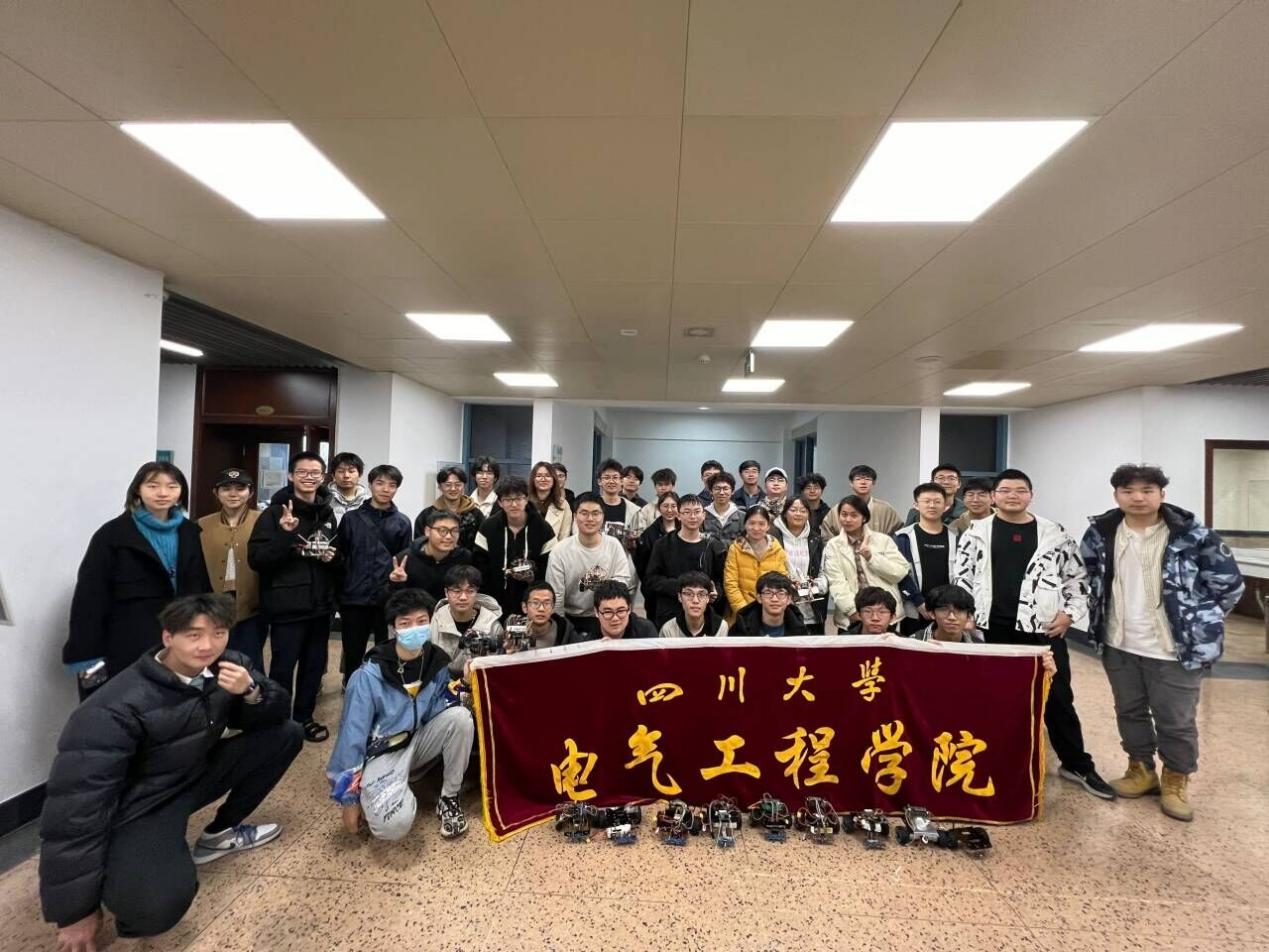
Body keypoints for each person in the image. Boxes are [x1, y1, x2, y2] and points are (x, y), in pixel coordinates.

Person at [40, 594, 300, 947]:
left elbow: (274, 714)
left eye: (218, 633)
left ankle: (219, 834)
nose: (208, 646)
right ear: (168, 637)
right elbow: (74, 807)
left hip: (195, 773)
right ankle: (122, 879)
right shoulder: (113, 707)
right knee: (155, 908)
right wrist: (75, 910)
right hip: (144, 804)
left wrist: (252, 691)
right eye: (194, 635)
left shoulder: (230, 665)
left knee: (287, 735)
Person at [1081, 464, 1244, 821]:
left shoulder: (1194, 536)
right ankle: (1140, 769)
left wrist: (1199, 619)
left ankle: (1175, 780)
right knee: (1129, 711)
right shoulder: (1101, 533)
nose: (1137, 498)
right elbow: (1089, 576)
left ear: (1161, 494)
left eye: (1147, 490)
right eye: (1128, 491)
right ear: (1116, 495)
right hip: (1119, 641)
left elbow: (1229, 586)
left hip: (1175, 648)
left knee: (1176, 720)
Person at [955, 468, 1114, 800]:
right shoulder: (977, 532)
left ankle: (1076, 764)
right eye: (1005, 490)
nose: (1013, 496)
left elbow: (1076, 579)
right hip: (991, 631)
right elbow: (963, 576)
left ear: (1031, 495)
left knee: (1058, 699)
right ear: (994, 497)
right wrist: (966, 614)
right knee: (994, 699)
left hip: (1042, 631)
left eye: (1020, 490)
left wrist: (1069, 614)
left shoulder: (1054, 533)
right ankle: (997, 760)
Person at [327, 588, 472, 841]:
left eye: (421, 621)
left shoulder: (435, 663)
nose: (415, 629)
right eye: (405, 623)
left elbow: (440, 707)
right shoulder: (368, 676)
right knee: (392, 827)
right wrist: (349, 800)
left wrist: (465, 685)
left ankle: (449, 796)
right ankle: (387, 787)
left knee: (460, 718)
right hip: (384, 752)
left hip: (418, 741)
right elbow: (351, 737)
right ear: (393, 628)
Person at [67, 462, 211, 694]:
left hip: (181, 642)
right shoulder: (112, 535)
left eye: (172, 486)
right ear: (138, 490)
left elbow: (202, 588)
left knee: (178, 707)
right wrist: (87, 657)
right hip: (127, 644)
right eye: (153, 486)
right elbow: (90, 599)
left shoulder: (190, 532)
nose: (163, 493)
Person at [247, 451, 338, 743]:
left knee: (314, 667)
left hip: (320, 606)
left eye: (315, 473)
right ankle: (279, 721)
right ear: (290, 476)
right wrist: (286, 534)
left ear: (323, 477)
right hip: (287, 606)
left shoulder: (327, 513)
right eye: (302, 472)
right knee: (283, 668)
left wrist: (332, 558)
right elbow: (258, 559)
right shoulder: (274, 513)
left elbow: (335, 554)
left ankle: (303, 718)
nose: (309, 477)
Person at [334, 464, 413, 689]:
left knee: (387, 650)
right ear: (369, 485)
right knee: (353, 650)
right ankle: (352, 687)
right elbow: (341, 557)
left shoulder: (402, 522)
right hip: (354, 597)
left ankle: (384, 690)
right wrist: (340, 593)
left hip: (386, 598)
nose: (385, 489)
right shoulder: (351, 519)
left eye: (392, 485)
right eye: (380, 483)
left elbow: (404, 562)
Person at [199, 468, 265, 670]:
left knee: (250, 661)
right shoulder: (202, 525)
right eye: (226, 488)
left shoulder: (263, 520)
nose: (233, 494)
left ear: (250, 492)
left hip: (252, 605)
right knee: (213, 659)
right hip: (215, 603)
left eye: (240, 488)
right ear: (216, 492)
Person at [545, 493, 631, 637]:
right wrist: (562, 628)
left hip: (605, 615)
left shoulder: (614, 545)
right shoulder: (560, 551)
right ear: (575, 516)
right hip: (570, 616)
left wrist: (607, 613)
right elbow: (556, 596)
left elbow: (622, 582)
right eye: (584, 513)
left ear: (603, 516)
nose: (590, 519)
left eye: (595, 513)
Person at [473, 476, 557, 619]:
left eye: (518, 498)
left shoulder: (543, 529)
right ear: (500, 502)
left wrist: (532, 577)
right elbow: (479, 567)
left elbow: (550, 568)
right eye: (507, 500)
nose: (514, 504)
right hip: (495, 603)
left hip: (532, 604)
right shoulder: (488, 527)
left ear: (526, 499)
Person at [823, 495, 909, 632]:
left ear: (864, 518)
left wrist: (871, 558)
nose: (848, 519)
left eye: (854, 515)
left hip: (884, 613)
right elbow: (836, 582)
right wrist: (853, 610)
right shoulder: (833, 545)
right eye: (844, 514)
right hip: (851, 616)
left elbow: (900, 572)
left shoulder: (883, 540)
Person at [643, 494, 727, 628]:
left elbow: (720, 580)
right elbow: (652, 580)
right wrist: (684, 589)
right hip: (670, 612)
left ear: (704, 515)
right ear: (678, 515)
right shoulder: (663, 545)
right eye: (687, 512)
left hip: (704, 613)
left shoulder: (713, 545)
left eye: (697, 512)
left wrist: (716, 592)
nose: (693, 517)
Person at [895, 482, 959, 635]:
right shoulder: (903, 537)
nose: (932, 505)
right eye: (926, 501)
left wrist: (952, 605)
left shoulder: (956, 536)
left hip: (950, 610)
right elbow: (900, 573)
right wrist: (919, 602)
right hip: (914, 609)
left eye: (937, 502)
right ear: (916, 505)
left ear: (946, 506)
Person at [429, 565, 505, 675]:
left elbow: (498, 665)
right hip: (441, 681)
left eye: (470, 591)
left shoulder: (492, 625)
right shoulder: (433, 622)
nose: (463, 597)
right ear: (446, 592)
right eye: (456, 591)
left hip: (481, 679)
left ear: (477, 592)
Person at [723, 506, 789, 622]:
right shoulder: (735, 548)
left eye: (761, 524)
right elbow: (730, 583)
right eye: (752, 523)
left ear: (768, 526)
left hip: (771, 613)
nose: (756, 528)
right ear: (745, 524)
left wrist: (771, 608)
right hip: (742, 614)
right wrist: (744, 611)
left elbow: (782, 582)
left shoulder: (776, 549)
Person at [772, 495, 827, 634]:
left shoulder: (816, 539)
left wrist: (814, 587)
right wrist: (788, 586)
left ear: (808, 514)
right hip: (781, 606)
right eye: (793, 510)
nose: (798, 514)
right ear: (785, 513)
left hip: (811, 609)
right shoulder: (773, 538)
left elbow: (823, 572)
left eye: (803, 510)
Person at [390, 509, 474, 601]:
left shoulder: (465, 558)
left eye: (454, 531)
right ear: (427, 531)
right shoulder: (405, 559)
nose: (449, 536)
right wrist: (397, 583)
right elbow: (394, 601)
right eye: (443, 530)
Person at [635, 491, 680, 626]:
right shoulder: (649, 533)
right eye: (665, 506)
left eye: (673, 506)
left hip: (681, 589)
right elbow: (642, 563)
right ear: (659, 508)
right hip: (657, 590)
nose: (669, 510)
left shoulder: (685, 528)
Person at [414, 466, 484, 552]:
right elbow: (419, 546)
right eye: (448, 485)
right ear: (440, 487)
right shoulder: (427, 515)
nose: (453, 489)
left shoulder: (476, 515)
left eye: (458, 485)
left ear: (464, 486)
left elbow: (481, 547)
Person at [821, 465, 902, 539]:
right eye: (858, 479)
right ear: (851, 483)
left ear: (873, 483)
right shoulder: (838, 509)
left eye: (867, 479)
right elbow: (827, 535)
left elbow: (899, 533)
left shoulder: (885, 509)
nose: (863, 482)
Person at [504, 582, 584, 651]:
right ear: (524, 607)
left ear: (553, 608)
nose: (541, 609)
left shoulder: (565, 630)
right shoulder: (515, 630)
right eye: (535, 603)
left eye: (547, 603)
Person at [731, 572, 808, 637]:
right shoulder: (741, 629)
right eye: (768, 593)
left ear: (789, 599)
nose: (774, 599)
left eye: (781, 593)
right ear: (759, 598)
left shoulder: (800, 632)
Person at [660, 571, 729, 638]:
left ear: (708, 598)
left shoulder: (721, 627)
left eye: (701, 594)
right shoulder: (668, 630)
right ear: (680, 597)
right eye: (689, 594)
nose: (695, 601)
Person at [911, 585, 986, 644]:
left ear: (969, 616)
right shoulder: (913, 643)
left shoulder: (979, 648)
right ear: (932, 613)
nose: (952, 617)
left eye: (959, 610)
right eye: (944, 610)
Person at [905, 463, 967, 527]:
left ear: (959, 484)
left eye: (951, 478)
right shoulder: (917, 511)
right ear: (932, 482)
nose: (946, 482)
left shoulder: (967, 511)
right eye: (941, 478)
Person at [592, 579, 658, 640]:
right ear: (596, 612)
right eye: (608, 612)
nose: (615, 618)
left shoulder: (645, 630)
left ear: (629, 609)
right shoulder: (589, 643)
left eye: (620, 611)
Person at [595, 458, 642, 535]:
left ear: (621, 481)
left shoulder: (633, 510)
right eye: (606, 477)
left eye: (615, 477)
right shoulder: (591, 505)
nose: (611, 481)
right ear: (599, 481)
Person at [530, 460, 574, 541]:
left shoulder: (563, 504)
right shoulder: (524, 502)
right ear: (533, 479)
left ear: (554, 479)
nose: (543, 479)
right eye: (539, 476)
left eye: (547, 476)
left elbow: (564, 537)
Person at [328, 452, 371, 525]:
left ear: (360, 474)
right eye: (341, 471)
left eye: (351, 471)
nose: (346, 475)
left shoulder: (369, 502)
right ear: (333, 475)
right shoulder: (324, 499)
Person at [703, 471, 745, 543]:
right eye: (717, 488)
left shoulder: (742, 516)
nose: (721, 493)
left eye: (725, 489)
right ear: (710, 491)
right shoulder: (703, 515)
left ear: (732, 491)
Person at [632, 467, 677, 534]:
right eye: (660, 485)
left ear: (673, 486)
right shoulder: (646, 510)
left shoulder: (681, 508)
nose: (663, 488)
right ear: (655, 486)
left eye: (666, 484)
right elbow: (639, 535)